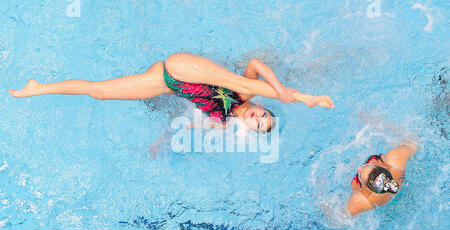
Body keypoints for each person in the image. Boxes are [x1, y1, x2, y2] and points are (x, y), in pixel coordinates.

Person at [9, 52, 334, 132]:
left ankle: (38, 88)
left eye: (258, 124)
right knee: (244, 84)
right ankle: (305, 98)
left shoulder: (221, 122)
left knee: (100, 93)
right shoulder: (247, 95)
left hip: (168, 79)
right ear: (262, 107)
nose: (257, 116)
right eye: (264, 114)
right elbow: (255, 63)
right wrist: (289, 92)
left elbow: (193, 124)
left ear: (249, 129)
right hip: (187, 67)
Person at [347, 142, 418, 216]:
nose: (359, 168)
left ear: (369, 190)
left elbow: (342, 217)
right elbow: (414, 144)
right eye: (365, 166)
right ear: (383, 167)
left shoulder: (362, 201)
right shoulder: (396, 159)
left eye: (360, 174)